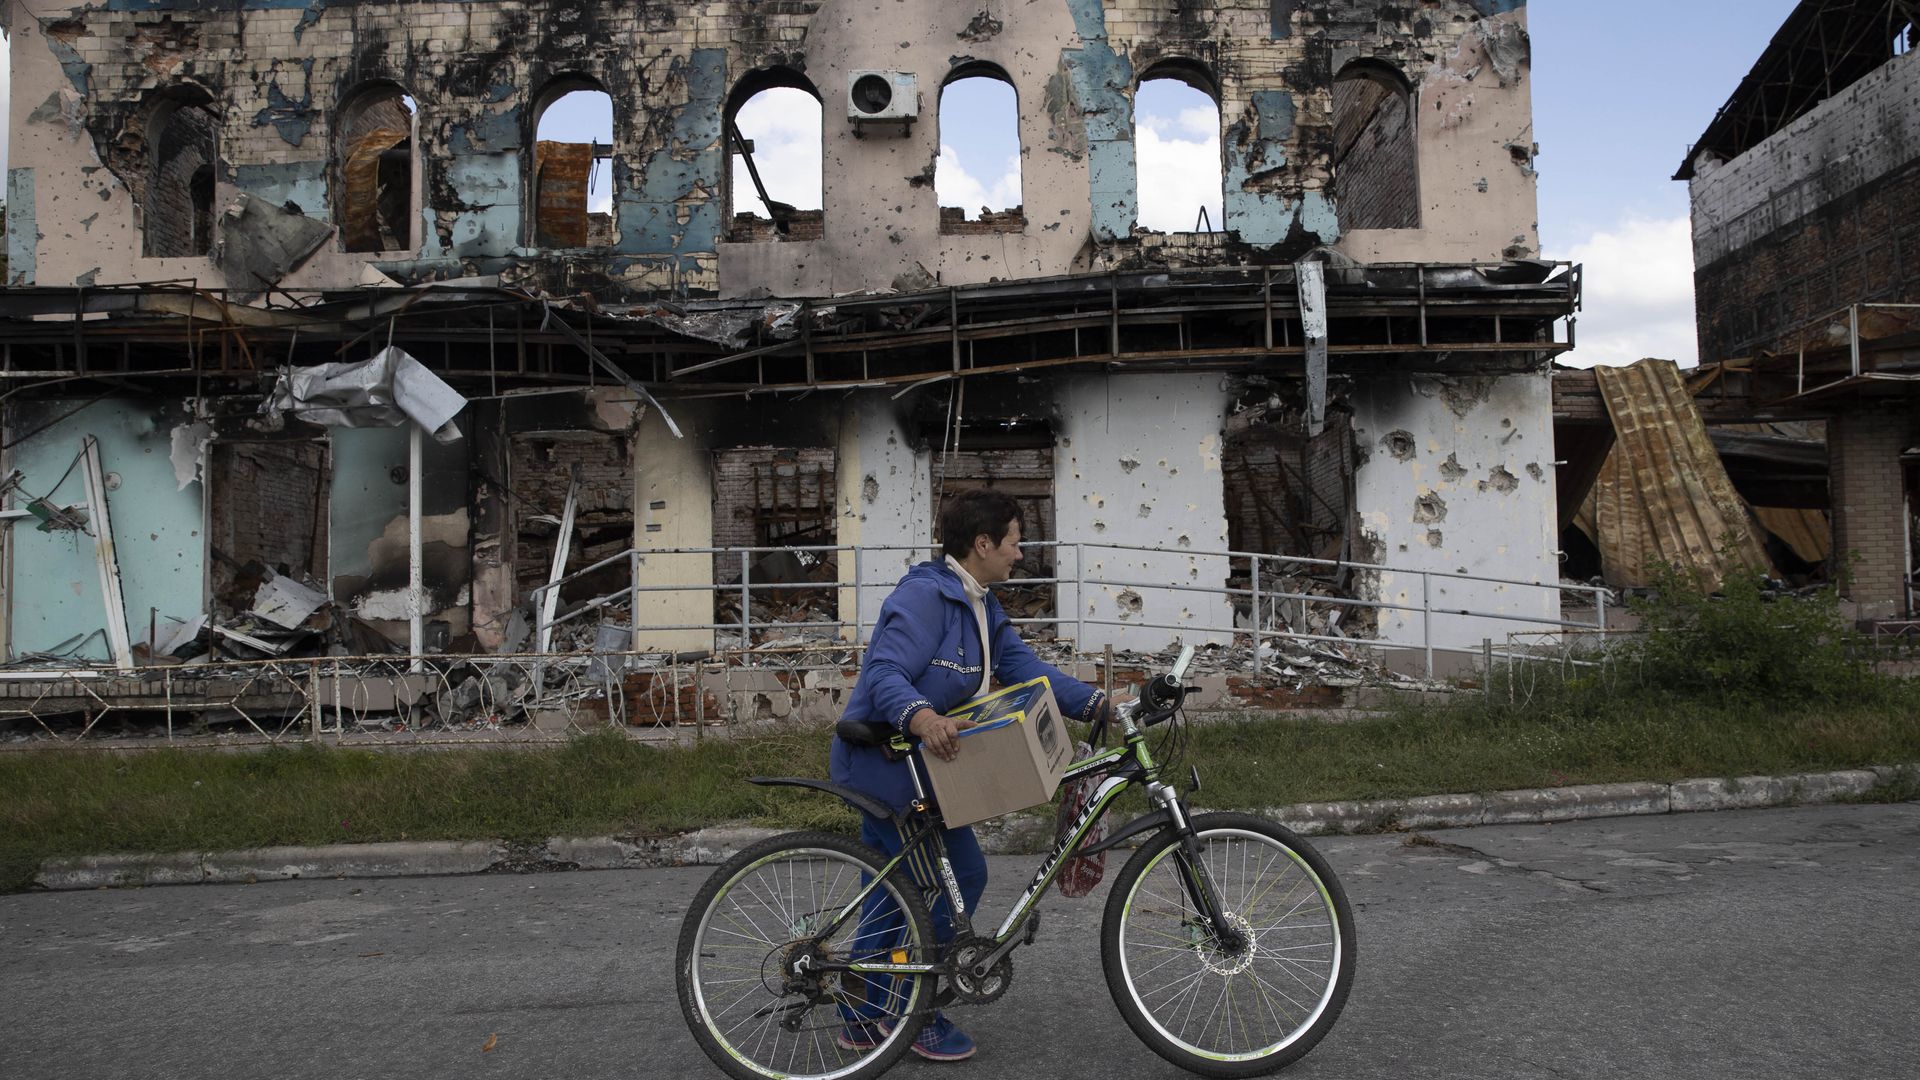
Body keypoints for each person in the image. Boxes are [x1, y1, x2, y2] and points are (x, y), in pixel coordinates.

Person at [830, 488, 1116, 1062]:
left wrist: (1097, 704)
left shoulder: (982, 605)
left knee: (895, 891)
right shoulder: (927, 596)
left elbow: (1025, 672)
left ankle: (862, 1011)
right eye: (1013, 542)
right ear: (982, 543)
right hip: (884, 765)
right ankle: (915, 1011)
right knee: (956, 874)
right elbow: (884, 670)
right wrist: (922, 715)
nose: (1019, 553)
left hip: (917, 770)